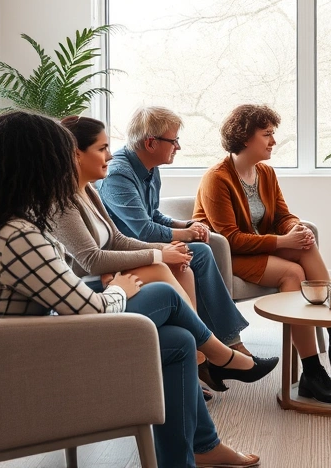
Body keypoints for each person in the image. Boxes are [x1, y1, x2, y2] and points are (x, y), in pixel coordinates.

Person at [0, 111, 266, 468]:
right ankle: (220, 356)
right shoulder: (15, 234)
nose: (64, 167)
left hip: (15, 348)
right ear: (34, 165)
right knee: (166, 296)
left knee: (179, 342)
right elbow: (90, 308)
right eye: (58, 158)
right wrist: (120, 287)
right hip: (17, 371)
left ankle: (200, 445)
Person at [54, 116, 277, 393]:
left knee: (184, 262)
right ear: (76, 154)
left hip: (113, 266)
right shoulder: (66, 199)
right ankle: (216, 354)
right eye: (102, 148)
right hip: (90, 283)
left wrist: (171, 243)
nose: (109, 155)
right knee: (171, 265)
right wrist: (161, 254)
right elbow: (93, 259)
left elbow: (117, 238)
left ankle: (205, 357)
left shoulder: (88, 189)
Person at [192, 104, 331, 405]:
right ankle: (317, 365)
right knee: (293, 273)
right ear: (245, 138)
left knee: (306, 245)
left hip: (256, 246)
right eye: (267, 134)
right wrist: (284, 240)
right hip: (227, 257)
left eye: (273, 134)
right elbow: (229, 239)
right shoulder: (217, 178)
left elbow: (282, 214)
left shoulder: (265, 173)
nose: (273, 141)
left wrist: (297, 229)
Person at [97, 106, 254, 367]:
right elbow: (142, 230)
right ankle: (223, 344)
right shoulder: (118, 174)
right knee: (200, 252)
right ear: (150, 143)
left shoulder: (149, 168)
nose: (178, 147)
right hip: (125, 250)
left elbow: (153, 214)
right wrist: (186, 233)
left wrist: (185, 223)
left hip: (141, 243)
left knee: (201, 250)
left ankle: (214, 344)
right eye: (174, 141)